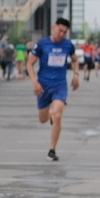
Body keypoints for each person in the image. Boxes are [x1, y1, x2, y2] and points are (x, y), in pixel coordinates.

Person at [28, 18, 80, 160]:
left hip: (60, 85)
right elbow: (29, 63)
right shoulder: (42, 44)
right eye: (60, 30)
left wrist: (76, 75)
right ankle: (49, 115)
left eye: (65, 32)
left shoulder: (68, 45)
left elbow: (75, 60)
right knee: (43, 119)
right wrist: (35, 82)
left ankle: (52, 150)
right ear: (53, 27)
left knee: (58, 115)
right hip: (43, 86)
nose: (62, 34)